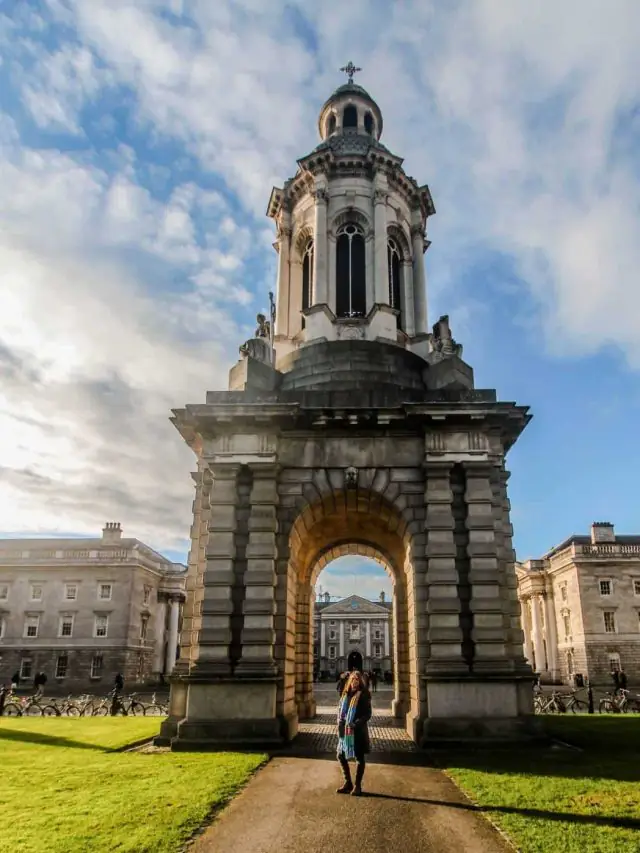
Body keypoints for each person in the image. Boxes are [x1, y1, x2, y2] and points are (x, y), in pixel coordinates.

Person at [336, 670, 372, 797]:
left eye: (357, 680)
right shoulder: (345, 695)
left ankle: (357, 785)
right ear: (350, 681)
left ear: (360, 682)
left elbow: (368, 714)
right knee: (340, 755)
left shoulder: (364, 695)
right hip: (345, 731)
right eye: (353, 679)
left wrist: (356, 723)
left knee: (359, 758)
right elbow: (341, 710)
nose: (355, 682)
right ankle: (348, 782)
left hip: (358, 731)